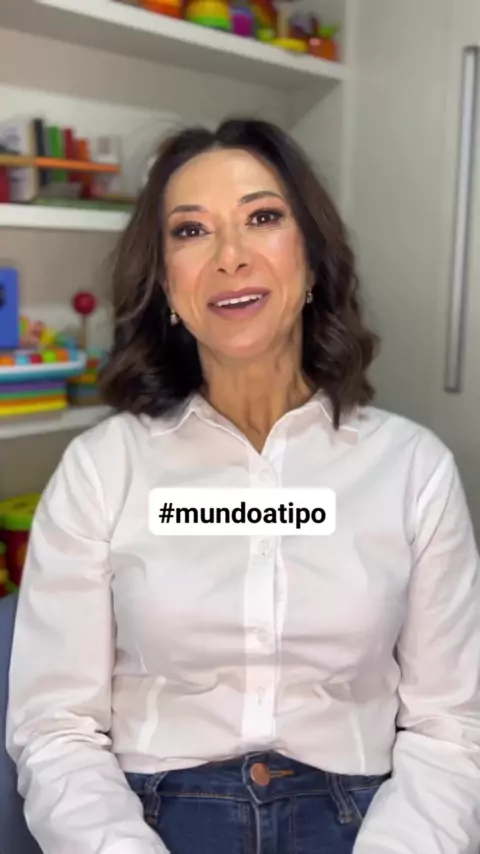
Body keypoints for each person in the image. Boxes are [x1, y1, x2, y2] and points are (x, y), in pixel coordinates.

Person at [6, 118, 480, 854]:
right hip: (149, 818)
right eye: (191, 231)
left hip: (368, 820)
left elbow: (450, 727)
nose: (230, 256)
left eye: (262, 218)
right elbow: (55, 726)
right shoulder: (102, 469)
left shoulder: (413, 469)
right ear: (167, 283)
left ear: (312, 262)